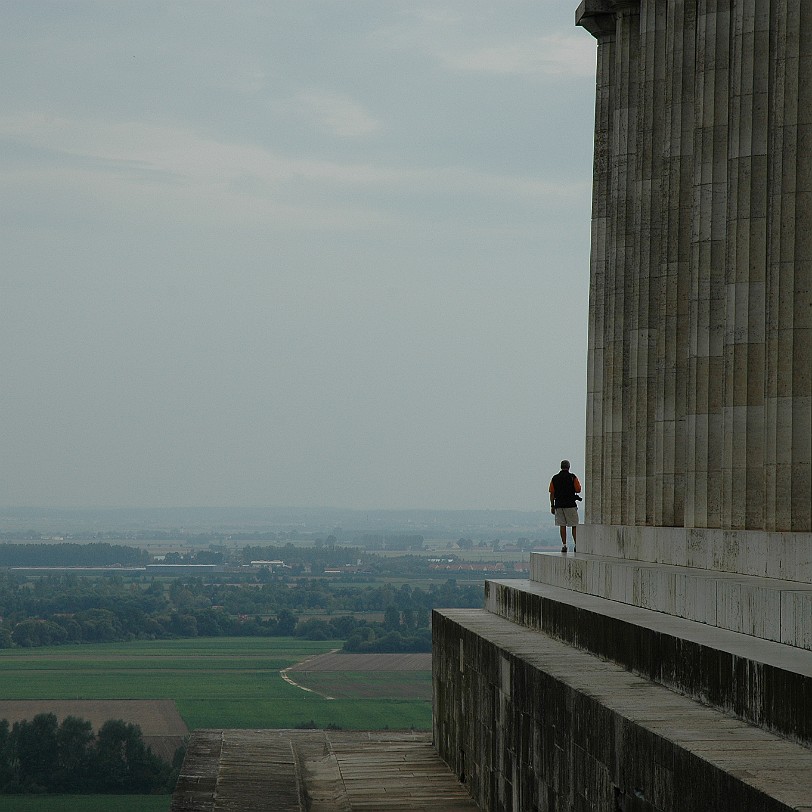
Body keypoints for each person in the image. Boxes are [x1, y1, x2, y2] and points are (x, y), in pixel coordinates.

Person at [549, 460, 581, 553]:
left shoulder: (554, 478)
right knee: (574, 525)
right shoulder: (572, 477)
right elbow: (578, 489)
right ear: (569, 467)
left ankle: (564, 545)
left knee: (562, 525)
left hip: (559, 505)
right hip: (570, 504)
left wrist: (552, 505)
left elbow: (552, 493)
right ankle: (576, 545)